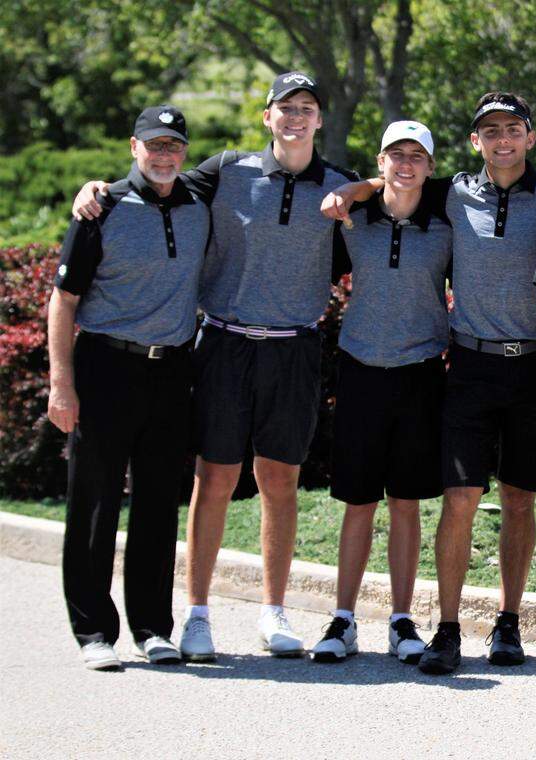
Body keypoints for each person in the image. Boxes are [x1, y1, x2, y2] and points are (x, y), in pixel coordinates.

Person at [321, 92, 536, 674]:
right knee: (460, 499)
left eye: (514, 129)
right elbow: (395, 180)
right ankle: (449, 627)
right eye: (491, 131)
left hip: (535, 363)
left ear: (531, 137)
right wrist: (353, 189)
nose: (503, 140)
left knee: (519, 498)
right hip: (468, 364)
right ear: (474, 141)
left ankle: (508, 621)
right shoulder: (452, 193)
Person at [72, 71, 358, 661]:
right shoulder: (226, 171)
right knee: (215, 477)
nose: (296, 117)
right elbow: (156, 181)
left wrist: (361, 190)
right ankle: (197, 616)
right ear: (267, 117)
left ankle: (273, 612)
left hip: (295, 346)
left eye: (307, 108)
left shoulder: (340, 185)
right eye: (286, 108)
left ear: (320, 119)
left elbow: (402, 188)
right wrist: (95, 187)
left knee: (279, 481)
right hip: (223, 343)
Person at [49, 106, 209, 670]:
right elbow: (63, 301)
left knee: (159, 503)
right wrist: (61, 385)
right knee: (93, 501)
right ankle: (93, 632)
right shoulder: (102, 206)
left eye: (174, 146)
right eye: (154, 145)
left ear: (184, 152)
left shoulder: (198, 204)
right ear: (133, 147)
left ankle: (151, 627)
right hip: (104, 367)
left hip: (171, 371)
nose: (164, 155)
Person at [309, 121, 450, 664]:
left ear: (430, 167)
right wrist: (356, 189)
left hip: (419, 372)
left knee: (407, 503)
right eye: (396, 154)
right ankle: (342, 620)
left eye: (417, 156)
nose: (406, 164)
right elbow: (354, 196)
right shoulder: (351, 219)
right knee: (359, 503)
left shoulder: (445, 224)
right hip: (361, 368)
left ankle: (401, 620)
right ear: (381, 160)